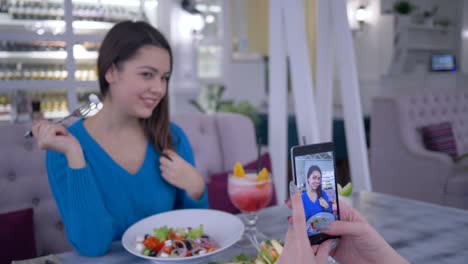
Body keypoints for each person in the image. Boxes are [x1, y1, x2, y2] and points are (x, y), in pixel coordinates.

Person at [32, 21, 208, 256]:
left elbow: (197, 236)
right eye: (147, 74)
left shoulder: (171, 137)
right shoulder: (64, 148)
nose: (159, 88)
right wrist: (75, 156)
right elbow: (92, 245)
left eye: (164, 77)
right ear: (111, 72)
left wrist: (196, 188)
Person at [278, 182, 409, 264]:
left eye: (318, 178)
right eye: (313, 178)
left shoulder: (322, 195)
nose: (316, 181)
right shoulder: (307, 196)